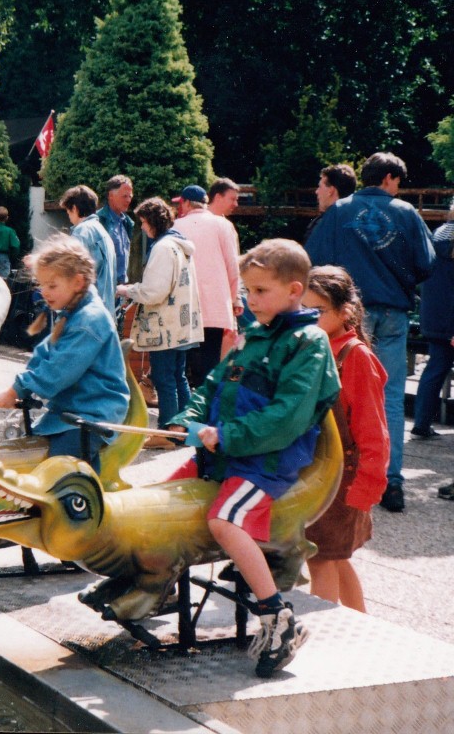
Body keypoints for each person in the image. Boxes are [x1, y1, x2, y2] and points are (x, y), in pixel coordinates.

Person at [168, 239, 340, 678]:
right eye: (247, 290)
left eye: (261, 291)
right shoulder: (253, 334)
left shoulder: (309, 342)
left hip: (265, 463)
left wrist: (228, 436)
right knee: (162, 501)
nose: (250, 299)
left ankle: (277, 617)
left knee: (225, 520)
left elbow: (287, 417)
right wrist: (186, 419)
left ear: (294, 290)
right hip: (224, 454)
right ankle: (156, 584)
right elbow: (212, 385)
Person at [306, 152, 436, 512]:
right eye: (398, 182)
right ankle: (390, 482)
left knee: (337, 393)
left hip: (347, 313)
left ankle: (334, 475)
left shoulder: (339, 211)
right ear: (390, 177)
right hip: (393, 311)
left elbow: (314, 261)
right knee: (390, 397)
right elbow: (427, 263)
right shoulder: (406, 212)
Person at [0, 234, 129, 472]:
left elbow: (59, 370)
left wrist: (17, 389)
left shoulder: (89, 320)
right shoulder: (72, 312)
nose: (44, 292)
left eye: (52, 286)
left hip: (92, 412)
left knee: (59, 469)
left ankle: (80, 489)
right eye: (41, 285)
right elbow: (46, 352)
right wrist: (21, 387)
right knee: (31, 447)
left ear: (77, 282)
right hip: (70, 409)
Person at [301, 265, 388, 611]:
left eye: (318, 310)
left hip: (342, 482)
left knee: (321, 559)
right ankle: (361, 622)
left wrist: (367, 487)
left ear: (344, 311)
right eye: (302, 309)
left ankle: (321, 634)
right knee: (334, 557)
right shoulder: (311, 349)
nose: (308, 318)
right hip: (315, 474)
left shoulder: (355, 356)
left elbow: (374, 431)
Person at [116, 198, 202, 449]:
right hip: (181, 325)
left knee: (165, 379)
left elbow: (154, 291)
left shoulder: (163, 248)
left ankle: (166, 433)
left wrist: (127, 290)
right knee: (178, 377)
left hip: (165, 326)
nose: (142, 228)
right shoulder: (179, 245)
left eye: (144, 222)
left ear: (153, 222)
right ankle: (184, 432)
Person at [173, 185, 244, 385]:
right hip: (216, 307)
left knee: (183, 368)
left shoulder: (175, 226)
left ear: (187, 203)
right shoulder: (223, 225)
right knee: (209, 363)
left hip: (184, 307)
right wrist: (234, 299)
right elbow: (233, 267)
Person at [412, 206, 454, 468]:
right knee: (436, 368)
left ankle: (421, 422)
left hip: (432, 316)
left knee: (435, 369)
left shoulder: (434, 237)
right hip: (450, 319)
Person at [60, 185, 117, 321]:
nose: (69, 216)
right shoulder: (103, 232)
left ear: (74, 208)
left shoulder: (82, 231)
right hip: (105, 314)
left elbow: (71, 272)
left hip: (87, 316)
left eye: (68, 211)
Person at [303, 164, 357, 243]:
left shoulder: (324, 226)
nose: (316, 191)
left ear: (330, 191)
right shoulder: (361, 223)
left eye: (320, 187)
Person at [96, 175, 135, 285]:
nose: (128, 200)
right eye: (124, 196)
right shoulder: (98, 221)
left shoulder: (127, 223)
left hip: (120, 287)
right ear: (110, 196)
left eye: (130, 196)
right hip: (104, 287)